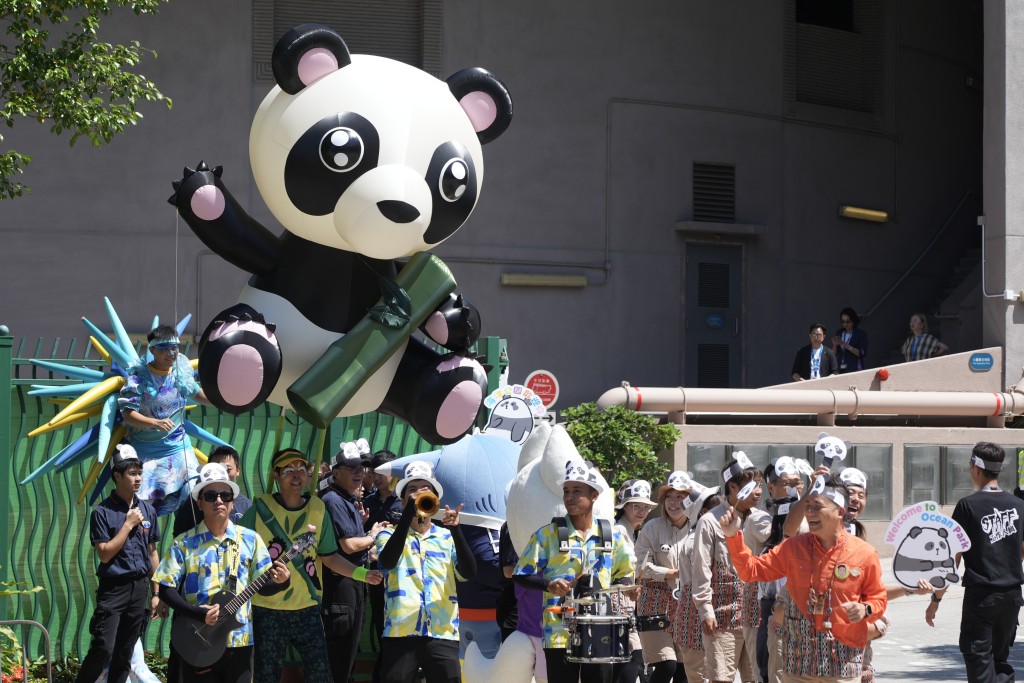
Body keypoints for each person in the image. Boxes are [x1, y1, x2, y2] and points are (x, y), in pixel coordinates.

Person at [722, 476, 887, 683]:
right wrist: (732, 536)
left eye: (817, 507)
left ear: (840, 512)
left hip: (842, 664)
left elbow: (878, 599)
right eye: (808, 506)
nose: (809, 513)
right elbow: (750, 570)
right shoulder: (793, 547)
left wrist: (865, 609)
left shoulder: (864, 553)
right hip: (798, 665)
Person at [239, 448, 382, 683]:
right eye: (288, 470)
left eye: (301, 470)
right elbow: (238, 552)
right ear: (275, 475)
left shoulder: (318, 509)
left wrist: (362, 574)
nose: (296, 476)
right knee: (267, 675)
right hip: (267, 608)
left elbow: (330, 556)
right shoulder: (258, 510)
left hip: (308, 608)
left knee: (320, 675)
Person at [154, 463, 291, 682]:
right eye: (210, 495)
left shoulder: (251, 539)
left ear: (232, 501)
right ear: (199, 502)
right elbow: (165, 588)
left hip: (240, 640)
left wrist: (282, 582)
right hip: (198, 641)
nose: (219, 500)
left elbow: (263, 587)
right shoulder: (184, 543)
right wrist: (196, 613)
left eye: (225, 495)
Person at [514, 459, 635, 683]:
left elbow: (624, 573)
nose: (569, 496)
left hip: (599, 628)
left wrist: (629, 589)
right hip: (559, 631)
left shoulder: (611, 536)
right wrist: (548, 585)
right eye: (566, 491)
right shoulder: (547, 534)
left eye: (577, 491)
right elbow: (521, 575)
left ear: (594, 496)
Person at [925, 442, 1024, 683]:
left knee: (979, 661)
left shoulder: (967, 506)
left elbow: (952, 561)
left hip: (982, 598)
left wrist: (935, 600)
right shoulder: (1019, 505)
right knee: (1000, 662)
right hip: (1012, 597)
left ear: (975, 469)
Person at [375, 460, 477, 683]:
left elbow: (468, 573)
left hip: (442, 633)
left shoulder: (446, 537)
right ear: (403, 501)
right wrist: (406, 517)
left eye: (424, 490)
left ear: (435, 500)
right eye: (411, 490)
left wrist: (457, 531)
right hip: (401, 633)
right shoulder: (387, 534)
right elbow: (387, 562)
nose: (417, 495)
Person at [75, 445, 160, 683]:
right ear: (117, 476)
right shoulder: (102, 512)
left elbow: (153, 553)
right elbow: (104, 554)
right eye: (132, 473)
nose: (138, 478)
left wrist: (157, 591)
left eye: (139, 473)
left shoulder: (148, 510)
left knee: (126, 651)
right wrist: (127, 525)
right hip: (114, 589)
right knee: (103, 646)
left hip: (140, 587)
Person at [118, 324, 210, 516]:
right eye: (164, 348)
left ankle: (186, 539)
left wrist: (225, 402)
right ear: (152, 350)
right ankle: (146, 543)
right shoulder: (138, 378)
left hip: (178, 448)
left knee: (193, 493)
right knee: (143, 508)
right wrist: (154, 423)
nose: (171, 353)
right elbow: (128, 414)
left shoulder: (181, 371)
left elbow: (197, 393)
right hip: (146, 450)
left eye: (174, 348)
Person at [691, 453, 764, 683]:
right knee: (720, 678)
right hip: (722, 615)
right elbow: (701, 568)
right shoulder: (710, 521)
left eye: (760, 485)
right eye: (752, 486)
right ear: (733, 487)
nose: (759, 491)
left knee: (756, 677)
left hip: (755, 616)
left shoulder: (762, 519)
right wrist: (705, 609)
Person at [321, 441, 389, 683]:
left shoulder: (346, 499)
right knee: (340, 657)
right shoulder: (333, 499)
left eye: (361, 467)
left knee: (347, 655)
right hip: (341, 586)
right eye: (351, 468)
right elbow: (348, 545)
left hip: (354, 582)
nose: (359, 473)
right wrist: (372, 536)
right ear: (336, 472)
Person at [634, 473, 692, 683]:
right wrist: (668, 573)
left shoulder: (698, 529)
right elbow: (639, 565)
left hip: (687, 606)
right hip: (655, 606)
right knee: (666, 665)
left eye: (680, 497)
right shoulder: (651, 527)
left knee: (683, 670)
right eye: (670, 496)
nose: (674, 502)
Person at [672, 482, 722, 683]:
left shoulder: (709, 536)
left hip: (705, 612)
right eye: (719, 507)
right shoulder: (696, 540)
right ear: (704, 512)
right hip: (695, 614)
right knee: (699, 676)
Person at [612, 479, 657, 683]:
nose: (642, 511)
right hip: (618, 601)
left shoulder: (634, 531)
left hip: (630, 602)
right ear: (624, 506)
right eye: (636, 506)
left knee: (631, 660)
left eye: (645, 507)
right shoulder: (619, 531)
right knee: (631, 659)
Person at [363, 449, 403, 683]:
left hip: (400, 577)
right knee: (381, 626)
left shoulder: (403, 500)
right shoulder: (368, 502)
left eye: (382, 472)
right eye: (373, 472)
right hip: (376, 577)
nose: (376, 477)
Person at [172, 445, 252, 537]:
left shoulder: (247, 506)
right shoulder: (192, 502)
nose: (219, 501)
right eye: (210, 497)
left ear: (238, 470)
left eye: (227, 469)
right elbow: (179, 536)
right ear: (200, 503)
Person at [832, 308, 868, 374]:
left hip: (855, 367)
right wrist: (835, 345)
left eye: (847, 321)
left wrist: (848, 347)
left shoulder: (861, 334)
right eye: (843, 321)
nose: (845, 324)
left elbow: (862, 353)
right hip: (841, 368)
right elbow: (834, 354)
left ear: (853, 321)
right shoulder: (840, 332)